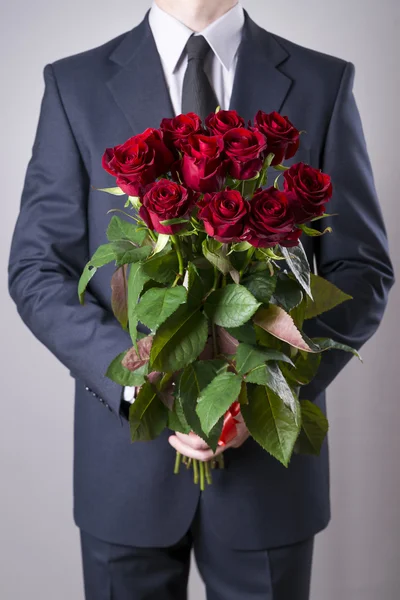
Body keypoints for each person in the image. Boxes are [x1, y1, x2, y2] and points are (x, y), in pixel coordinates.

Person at [8, 1, 395, 599]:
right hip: (125, 470)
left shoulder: (323, 81)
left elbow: (362, 269)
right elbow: (37, 269)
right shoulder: (74, 84)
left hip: (268, 478)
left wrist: (266, 386)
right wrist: (138, 378)